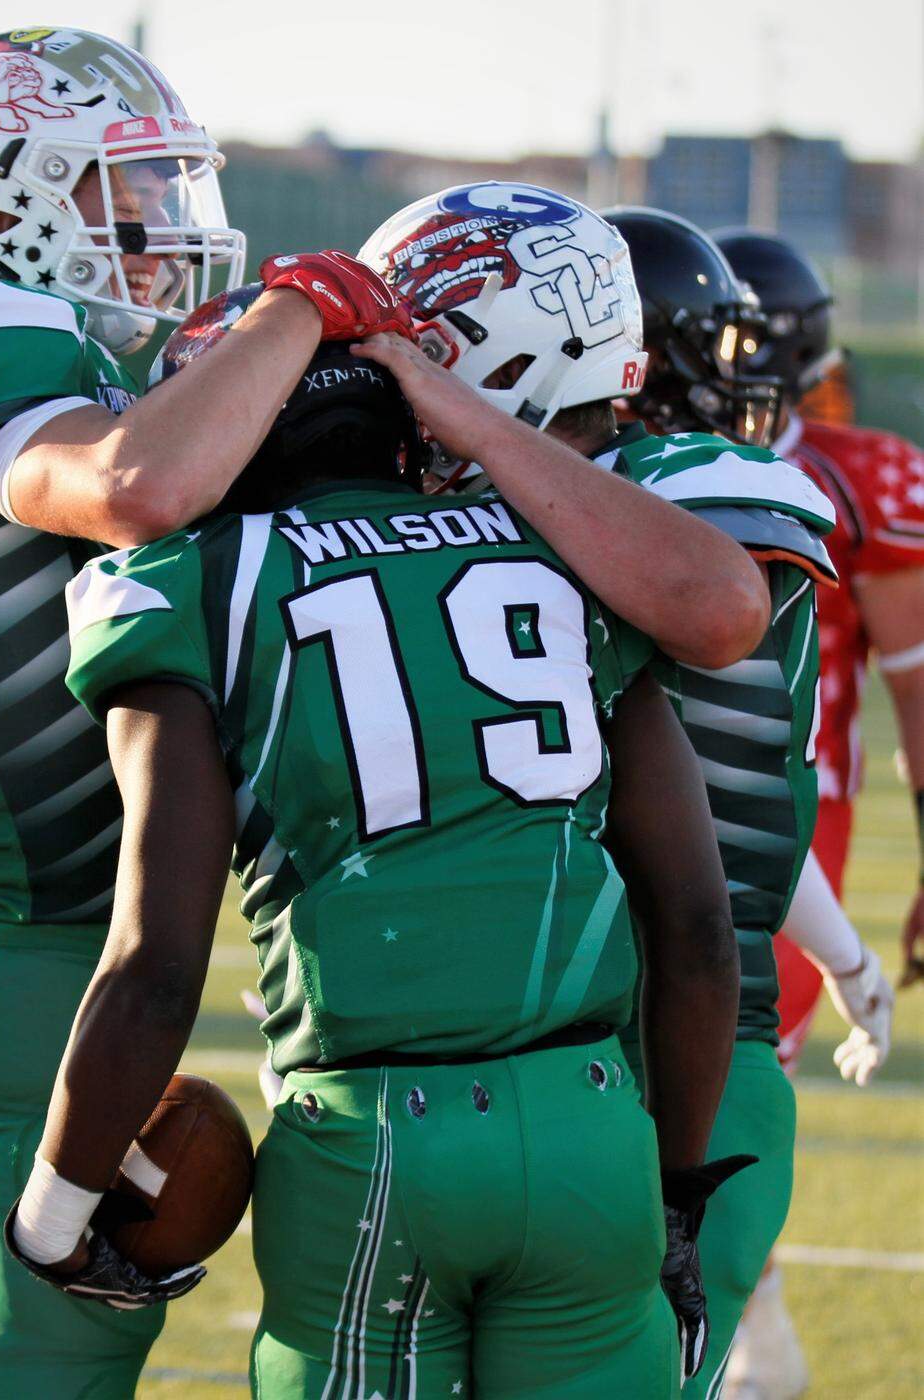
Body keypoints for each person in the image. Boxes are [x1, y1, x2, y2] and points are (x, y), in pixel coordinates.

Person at [6, 286, 746, 1397]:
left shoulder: (195, 583)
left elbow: (156, 967)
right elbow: (695, 925)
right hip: (592, 1129)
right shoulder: (557, 556)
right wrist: (673, 1188)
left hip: (373, 1143)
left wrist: (54, 1216)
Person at [0, 26, 412, 1398]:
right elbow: (136, 489)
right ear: (4, 198)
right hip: (18, 953)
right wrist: (289, 319)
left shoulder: (83, 345)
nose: (161, 224)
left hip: (64, 961)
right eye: (123, 189)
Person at [355, 191, 836, 1400]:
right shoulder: (472, 523)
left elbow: (709, 579)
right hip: (533, 1061)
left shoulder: (694, 478)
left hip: (689, 1056)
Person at [713, 228, 918, 1400]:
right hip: (708, 814)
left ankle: (746, 1317)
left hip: (786, 826)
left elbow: (914, 680)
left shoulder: (854, 475)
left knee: (727, 1073)